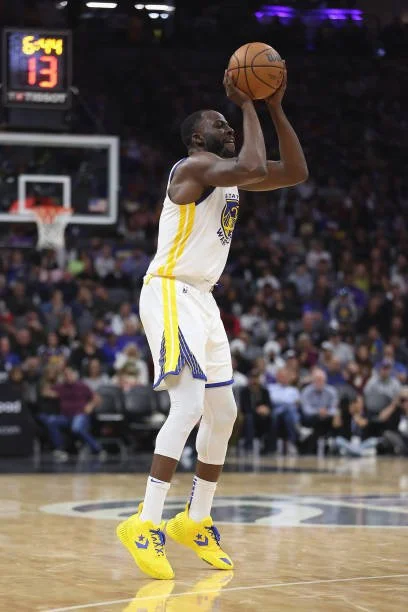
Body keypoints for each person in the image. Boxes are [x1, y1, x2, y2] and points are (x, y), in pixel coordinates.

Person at [116, 68, 308, 580]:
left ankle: (194, 519)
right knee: (188, 405)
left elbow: (295, 171)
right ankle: (144, 523)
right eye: (219, 124)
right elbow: (251, 162)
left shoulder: (230, 173)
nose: (228, 128)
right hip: (169, 289)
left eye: (230, 122)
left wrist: (273, 106)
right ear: (198, 138)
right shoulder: (194, 167)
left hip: (202, 298)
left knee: (223, 414)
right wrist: (246, 103)